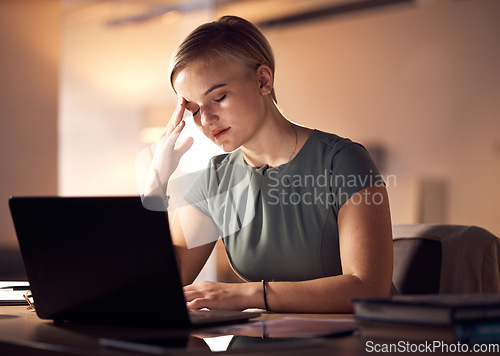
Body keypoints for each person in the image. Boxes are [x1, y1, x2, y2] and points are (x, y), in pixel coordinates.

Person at [143, 15, 393, 313]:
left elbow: (368, 287)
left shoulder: (343, 161)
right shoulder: (217, 181)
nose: (206, 120)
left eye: (218, 97)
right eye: (194, 109)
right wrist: (156, 179)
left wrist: (246, 296)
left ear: (263, 80)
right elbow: (162, 284)